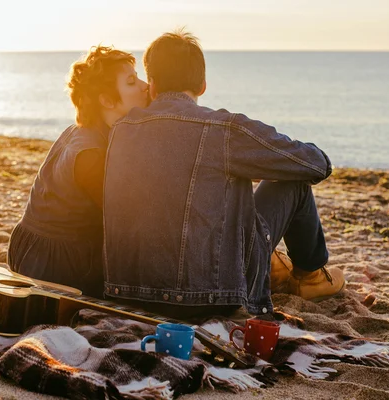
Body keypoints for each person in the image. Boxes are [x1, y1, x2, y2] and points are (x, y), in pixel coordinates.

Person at [102, 30, 345, 317]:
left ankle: (283, 268)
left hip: (126, 294)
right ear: (202, 85)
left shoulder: (120, 130)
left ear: (152, 86)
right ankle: (311, 277)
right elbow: (316, 165)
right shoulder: (223, 129)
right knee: (294, 184)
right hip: (211, 297)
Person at [7, 46, 148, 297]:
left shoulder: (83, 129)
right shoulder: (90, 155)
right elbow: (121, 220)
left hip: (31, 247)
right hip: (53, 263)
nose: (144, 86)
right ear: (106, 100)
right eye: (131, 81)